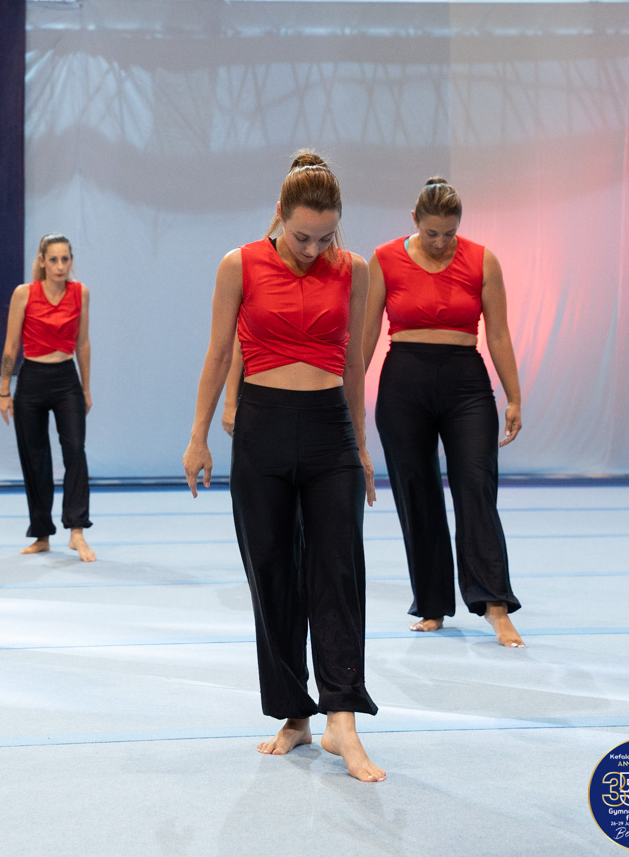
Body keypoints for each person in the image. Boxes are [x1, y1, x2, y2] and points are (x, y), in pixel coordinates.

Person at [183, 150, 384, 783]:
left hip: (330, 433)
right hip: (262, 431)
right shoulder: (238, 265)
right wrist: (198, 437)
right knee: (271, 575)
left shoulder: (354, 270)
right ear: (279, 214)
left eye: (326, 237)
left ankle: (342, 719)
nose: (313, 249)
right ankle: (295, 714)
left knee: (338, 574)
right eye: (302, 237)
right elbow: (219, 354)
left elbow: (353, 365)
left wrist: (361, 445)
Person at [362, 178, 525, 647]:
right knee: (417, 492)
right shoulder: (384, 259)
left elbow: (498, 334)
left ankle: (495, 605)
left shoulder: (482, 260)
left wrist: (514, 396)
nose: (439, 242)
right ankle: (432, 603)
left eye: (449, 234)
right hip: (403, 384)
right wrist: (348, 397)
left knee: (476, 486)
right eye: (431, 233)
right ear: (415, 220)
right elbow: (367, 335)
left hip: (465, 385)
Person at [0, 233, 95, 562]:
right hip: (32, 380)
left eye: (65, 259)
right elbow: (11, 346)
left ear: (71, 261)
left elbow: (83, 343)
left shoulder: (80, 293)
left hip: (66, 379)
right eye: (53, 260)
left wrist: (86, 388)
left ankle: (77, 530)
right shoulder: (24, 294)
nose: (59, 266)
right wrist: (4, 391)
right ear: (42, 261)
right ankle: (41, 534)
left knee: (75, 451)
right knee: (35, 457)